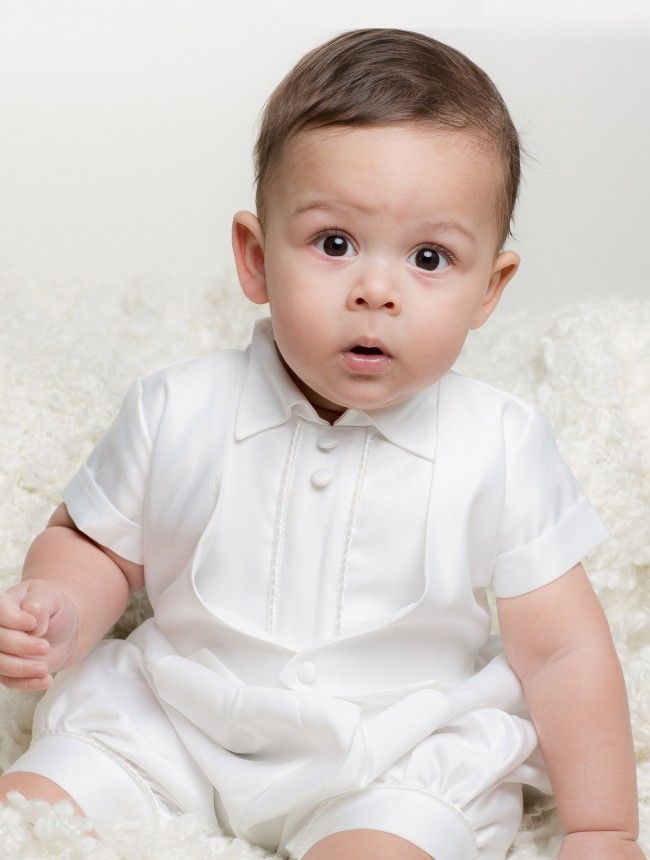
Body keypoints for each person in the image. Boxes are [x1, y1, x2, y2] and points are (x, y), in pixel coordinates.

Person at [0, 27, 642, 860]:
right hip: (170, 726)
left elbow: (562, 650)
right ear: (257, 258)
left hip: (388, 757)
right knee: (32, 811)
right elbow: (94, 545)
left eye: (430, 257)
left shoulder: (502, 445)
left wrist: (605, 829)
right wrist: (61, 609)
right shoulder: (177, 405)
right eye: (334, 244)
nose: (376, 290)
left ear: (491, 288)